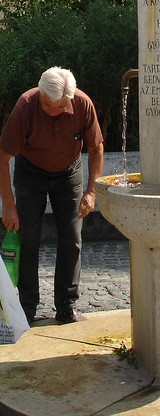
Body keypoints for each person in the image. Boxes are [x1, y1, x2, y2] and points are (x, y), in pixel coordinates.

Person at [0, 67, 104, 325]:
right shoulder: (26, 105)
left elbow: (96, 148)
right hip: (30, 173)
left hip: (69, 173)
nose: (54, 111)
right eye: (48, 105)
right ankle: (26, 308)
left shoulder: (82, 103)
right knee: (29, 239)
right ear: (40, 94)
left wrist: (91, 191)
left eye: (60, 107)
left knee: (72, 237)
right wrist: (9, 205)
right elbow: (2, 157)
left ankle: (66, 306)